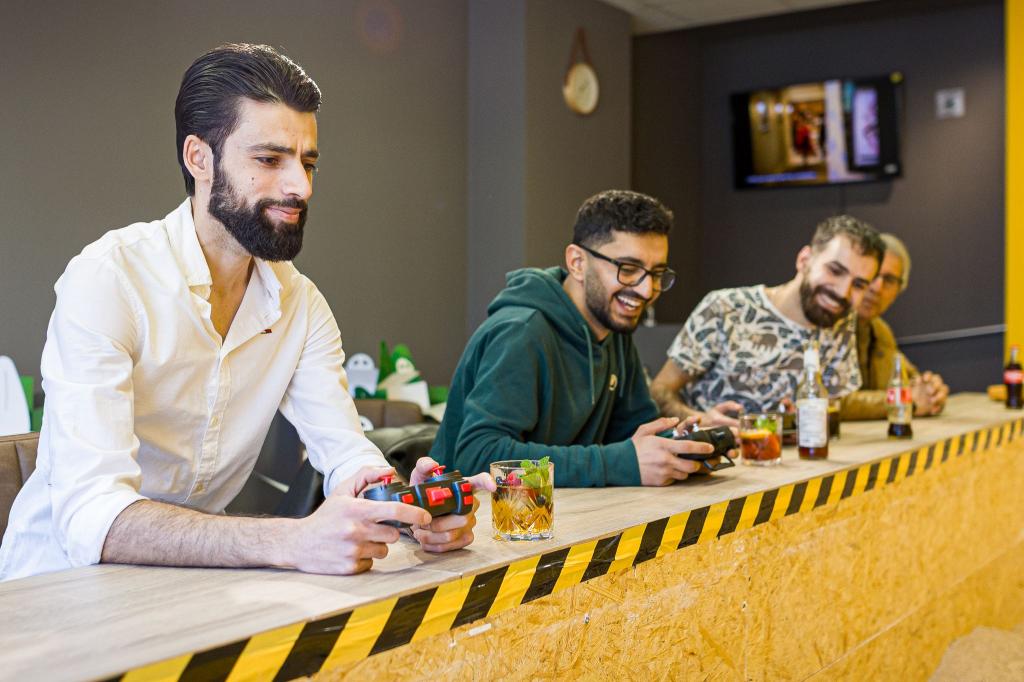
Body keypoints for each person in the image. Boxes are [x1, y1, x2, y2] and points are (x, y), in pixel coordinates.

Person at [0, 44, 492, 582]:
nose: (301, 186)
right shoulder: (108, 279)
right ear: (199, 158)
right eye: (269, 159)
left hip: (189, 585)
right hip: (52, 589)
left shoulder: (301, 305)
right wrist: (292, 540)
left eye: (308, 163)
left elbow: (346, 453)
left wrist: (403, 507)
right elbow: (91, 518)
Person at [431, 190, 723, 488]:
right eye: (628, 269)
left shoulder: (614, 331)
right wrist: (618, 464)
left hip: (565, 512)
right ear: (577, 262)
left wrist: (682, 448)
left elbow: (634, 434)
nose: (646, 290)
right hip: (475, 515)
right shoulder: (520, 332)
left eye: (657, 273)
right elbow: (478, 456)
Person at [650, 215, 885, 427]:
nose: (843, 292)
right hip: (712, 455)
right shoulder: (727, 307)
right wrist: (702, 420)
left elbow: (830, 410)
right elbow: (658, 392)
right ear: (804, 260)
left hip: (785, 458)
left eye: (859, 284)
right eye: (835, 271)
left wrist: (795, 419)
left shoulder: (841, 321)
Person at [840, 233, 949, 419]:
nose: (877, 287)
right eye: (872, 275)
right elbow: (830, 400)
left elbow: (911, 378)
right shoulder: (827, 324)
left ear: (899, 290)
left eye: (889, 280)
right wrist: (905, 400)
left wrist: (932, 391)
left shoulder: (881, 330)